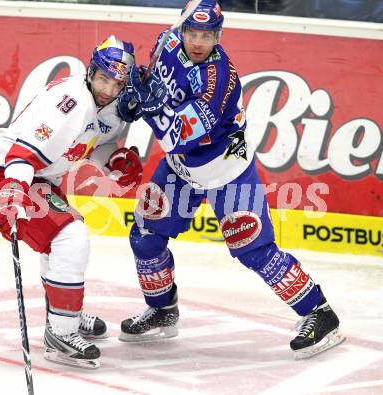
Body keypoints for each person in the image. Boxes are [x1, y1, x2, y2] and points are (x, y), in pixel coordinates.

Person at [117, 0, 345, 359]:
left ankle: (319, 313)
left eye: (207, 35)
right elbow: (151, 82)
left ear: (218, 36)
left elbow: (178, 135)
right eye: (192, 32)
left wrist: (146, 109)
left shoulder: (218, 80)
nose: (198, 41)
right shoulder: (165, 42)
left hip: (226, 173)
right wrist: (137, 93)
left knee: (254, 251)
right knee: (145, 235)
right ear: (181, 29)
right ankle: (162, 309)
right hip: (180, 169)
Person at [0, 35, 142, 369]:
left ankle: (64, 315)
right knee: (70, 238)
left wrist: (116, 160)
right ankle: (61, 332)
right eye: (103, 78)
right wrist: (13, 189)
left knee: (61, 243)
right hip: (5, 172)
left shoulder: (111, 109)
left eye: (117, 83)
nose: (108, 89)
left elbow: (96, 143)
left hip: (38, 177)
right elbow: (23, 152)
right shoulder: (71, 102)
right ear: (92, 71)